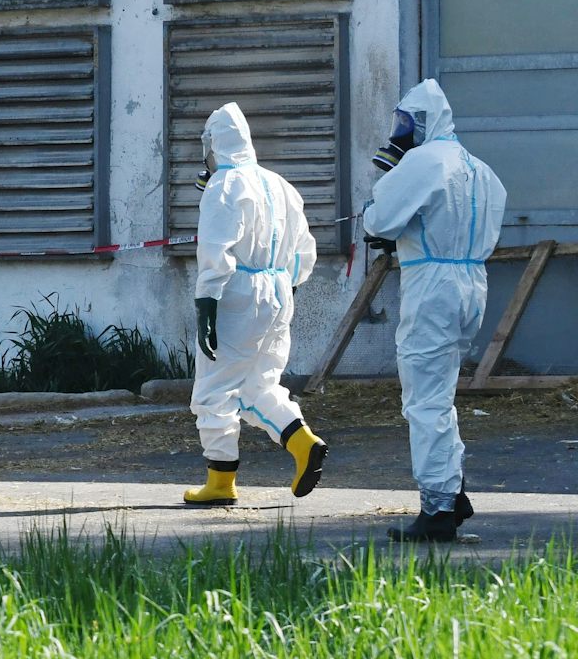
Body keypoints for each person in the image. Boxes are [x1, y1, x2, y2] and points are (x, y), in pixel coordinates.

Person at [362, 80, 507, 544]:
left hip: (433, 286)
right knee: (440, 394)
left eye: (406, 123)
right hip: (472, 283)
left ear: (420, 123)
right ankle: (453, 487)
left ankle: (438, 508)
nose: (401, 132)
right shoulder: (482, 171)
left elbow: (379, 219)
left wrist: (388, 174)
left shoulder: (424, 161)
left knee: (423, 399)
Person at [183, 102, 328, 507]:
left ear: (214, 143)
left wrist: (206, 304)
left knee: (213, 391)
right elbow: (305, 253)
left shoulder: (225, 185)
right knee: (258, 384)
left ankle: (220, 482)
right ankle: (302, 443)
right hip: (280, 291)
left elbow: (215, 249)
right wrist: (284, 289)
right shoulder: (279, 184)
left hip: (237, 294)